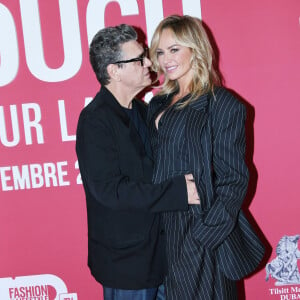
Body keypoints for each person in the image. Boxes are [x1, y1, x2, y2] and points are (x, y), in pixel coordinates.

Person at [75, 24, 199, 300]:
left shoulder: (145, 110)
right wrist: (180, 191)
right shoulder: (95, 121)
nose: (148, 63)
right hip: (127, 265)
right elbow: (110, 190)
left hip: (164, 256)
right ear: (113, 71)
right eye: (139, 59)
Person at [148, 15, 265, 299]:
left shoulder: (221, 104)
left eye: (174, 49)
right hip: (157, 232)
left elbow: (234, 179)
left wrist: (204, 237)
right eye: (160, 52)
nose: (166, 59)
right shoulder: (157, 102)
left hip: (195, 229)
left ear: (195, 48)